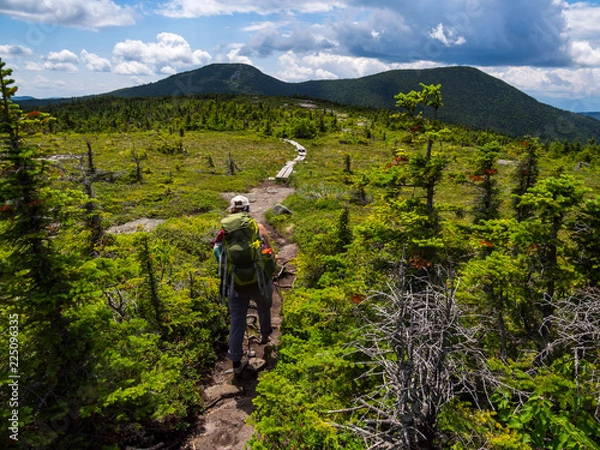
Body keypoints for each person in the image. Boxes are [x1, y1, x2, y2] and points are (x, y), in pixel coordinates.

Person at [214, 195, 274, 378]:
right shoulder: (258, 228)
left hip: (235, 285)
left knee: (237, 320)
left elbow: (218, 254)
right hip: (259, 282)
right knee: (264, 307)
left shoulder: (224, 233)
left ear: (231, 210)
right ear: (247, 209)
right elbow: (269, 253)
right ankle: (265, 336)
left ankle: (236, 361)